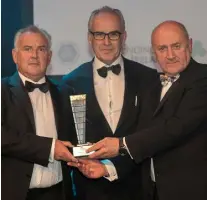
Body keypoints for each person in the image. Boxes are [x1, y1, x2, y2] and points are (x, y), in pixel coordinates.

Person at [86, 20, 207, 200]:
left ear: (189, 44)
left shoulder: (202, 79)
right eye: (162, 49)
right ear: (154, 52)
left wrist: (120, 144)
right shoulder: (153, 86)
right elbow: (145, 138)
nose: (170, 55)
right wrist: (108, 167)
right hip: (153, 192)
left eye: (176, 46)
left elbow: (175, 128)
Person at [62, 6, 157, 200]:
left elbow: (151, 135)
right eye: (99, 35)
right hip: (89, 190)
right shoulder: (70, 82)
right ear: (89, 38)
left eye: (113, 34)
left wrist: (112, 167)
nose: (106, 42)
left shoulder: (148, 78)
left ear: (124, 37)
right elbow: (67, 139)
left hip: (137, 188)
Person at [1, 25, 78, 200]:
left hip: (58, 193)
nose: (34, 55)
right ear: (15, 55)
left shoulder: (65, 92)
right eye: (27, 49)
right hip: (14, 193)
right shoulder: (1, 90)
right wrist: (50, 148)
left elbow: (74, 138)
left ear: (49, 56)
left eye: (41, 49)